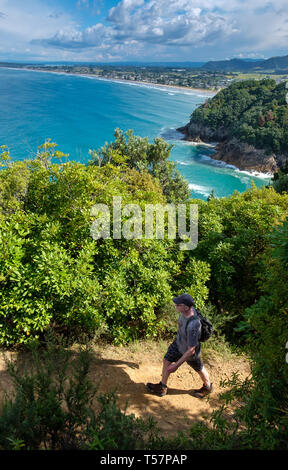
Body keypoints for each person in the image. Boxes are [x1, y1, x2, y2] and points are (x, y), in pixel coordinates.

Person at [146, 293, 213, 398]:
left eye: (178, 304)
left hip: (190, 350)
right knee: (166, 360)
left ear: (186, 307)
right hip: (179, 343)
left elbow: (191, 349)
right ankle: (162, 387)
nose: (175, 305)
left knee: (198, 367)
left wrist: (176, 365)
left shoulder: (193, 325)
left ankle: (207, 387)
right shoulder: (184, 311)